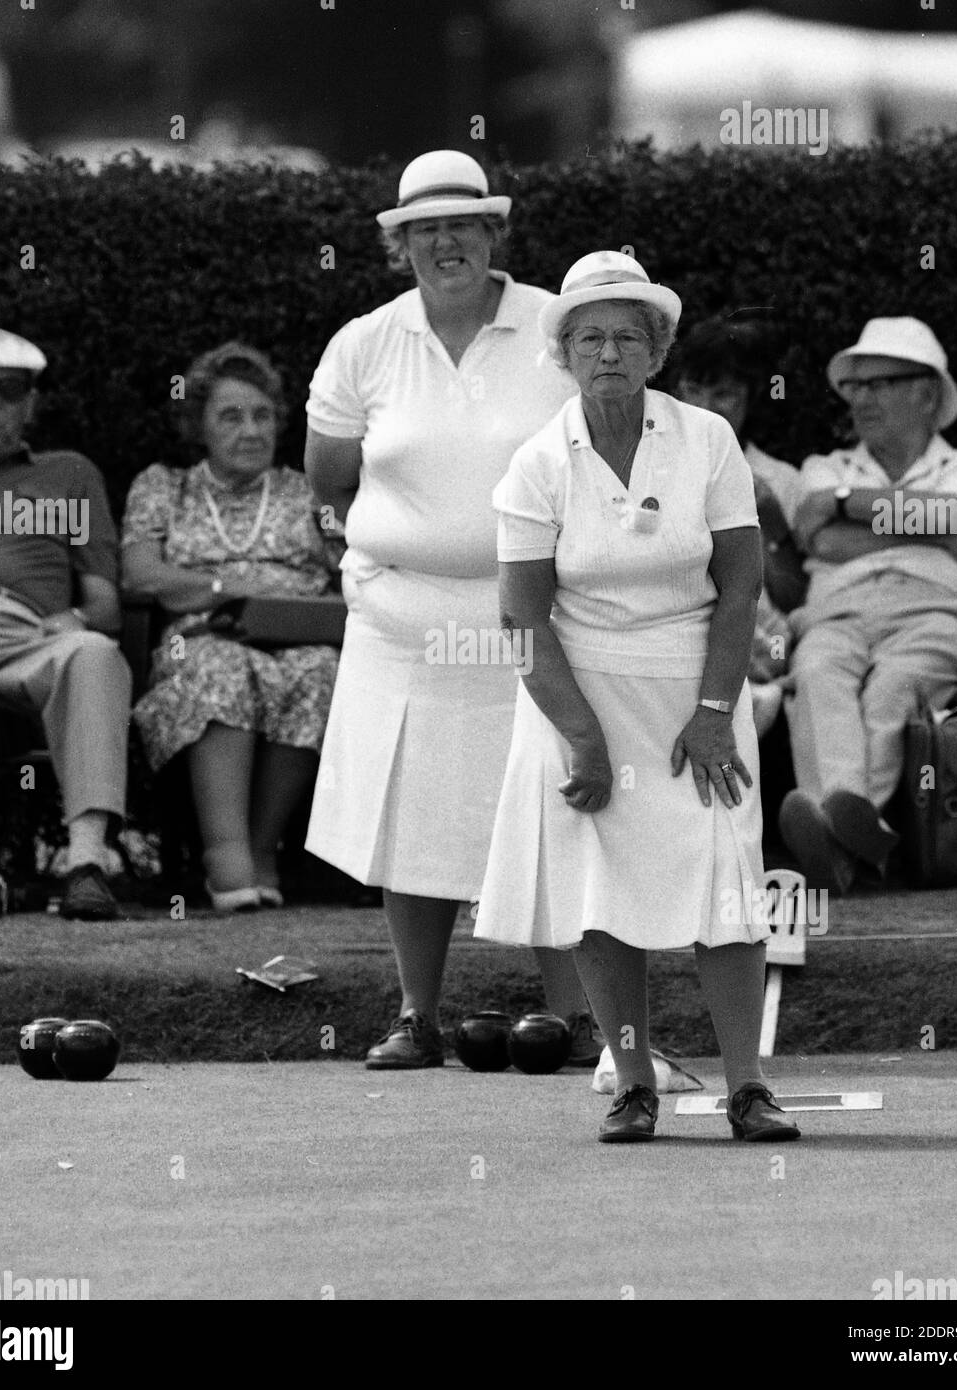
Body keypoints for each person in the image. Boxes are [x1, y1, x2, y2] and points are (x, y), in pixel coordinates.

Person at [474, 251, 802, 1144]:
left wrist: (710, 713)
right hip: (575, 691)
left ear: (656, 351)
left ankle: (747, 1089)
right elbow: (521, 617)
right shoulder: (537, 462)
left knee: (724, 885)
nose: (609, 352)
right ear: (565, 354)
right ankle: (631, 1086)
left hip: (699, 688)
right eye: (590, 337)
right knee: (598, 894)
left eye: (628, 336)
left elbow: (740, 588)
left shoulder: (708, 440)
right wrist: (578, 735)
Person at [304, 150, 599, 1069]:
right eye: (425, 230)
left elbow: (598, 449)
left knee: (549, 800)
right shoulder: (365, 341)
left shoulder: (558, 324)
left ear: (493, 233)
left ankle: (578, 1016)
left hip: (533, 611)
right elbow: (329, 475)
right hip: (405, 619)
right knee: (411, 817)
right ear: (403, 245)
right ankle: (416, 1017)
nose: (445, 243)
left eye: (462, 225)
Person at [779, 317, 957, 894]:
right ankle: (858, 832)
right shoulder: (824, 467)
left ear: (925, 392)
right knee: (816, 672)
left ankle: (836, 838)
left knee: (894, 690)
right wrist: (925, 523)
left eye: (879, 383)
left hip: (932, 613)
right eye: (856, 386)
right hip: (836, 613)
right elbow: (815, 537)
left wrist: (844, 505)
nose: (860, 398)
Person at [122, 342, 339, 910]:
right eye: (231, 416)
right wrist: (225, 592)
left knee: (321, 671)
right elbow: (140, 575)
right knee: (221, 665)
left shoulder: (307, 491)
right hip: (192, 641)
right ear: (200, 426)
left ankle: (263, 846)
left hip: (296, 641)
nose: (250, 430)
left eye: (262, 415)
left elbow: (356, 566)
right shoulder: (165, 487)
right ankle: (227, 853)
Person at [0, 327, 129, 920]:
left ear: (31, 403)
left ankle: (87, 861)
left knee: (92, 652)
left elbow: (105, 604)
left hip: (27, 636)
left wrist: (82, 619)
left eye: (11, 389)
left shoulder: (67, 476)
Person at [671, 314, 806, 737]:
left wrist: (774, 527)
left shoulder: (780, 480)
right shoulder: (652, 468)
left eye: (724, 394)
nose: (707, 409)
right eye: (695, 391)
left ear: (751, 399)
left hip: (758, 648)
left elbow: (796, 599)